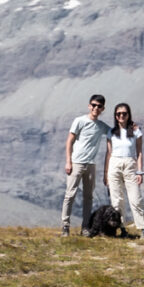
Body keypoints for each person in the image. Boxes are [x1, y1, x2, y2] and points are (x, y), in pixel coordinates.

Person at [61, 92, 111, 237]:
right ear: (89, 106)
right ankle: (65, 227)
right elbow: (69, 141)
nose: (96, 108)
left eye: (99, 106)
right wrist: (68, 161)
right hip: (76, 163)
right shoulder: (79, 121)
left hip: (91, 165)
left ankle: (85, 228)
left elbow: (114, 132)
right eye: (94, 105)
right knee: (70, 195)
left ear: (102, 109)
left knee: (88, 197)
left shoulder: (101, 126)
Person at [106, 102, 144, 240]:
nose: (121, 116)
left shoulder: (135, 131)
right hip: (114, 164)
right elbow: (108, 153)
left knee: (135, 198)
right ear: (115, 116)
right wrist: (106, 174)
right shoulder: (111, 132)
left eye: (124, 113)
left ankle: (143, 229)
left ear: (128, 115)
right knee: (117, 200)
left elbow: (139, 152)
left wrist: (140, 171)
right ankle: (122, 228)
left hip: (130, 164)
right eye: (118, 114)